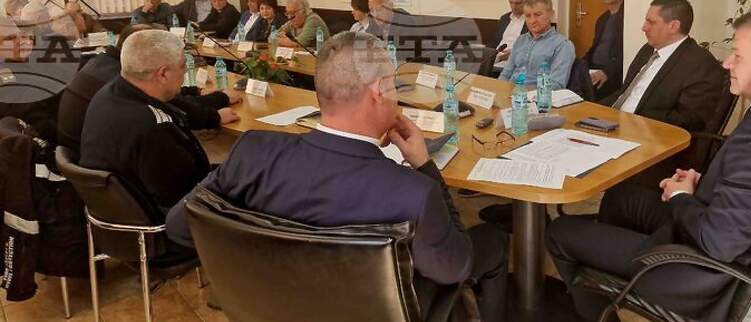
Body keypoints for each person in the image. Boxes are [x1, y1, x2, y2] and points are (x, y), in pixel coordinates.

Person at [166, 32, 508, 321]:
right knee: (491, 240)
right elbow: (453, 267)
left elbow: (180, 225)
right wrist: (425, 167)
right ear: (378, 91)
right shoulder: (413, 192)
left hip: (268, 308)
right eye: (394, 86)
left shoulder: (252, 152)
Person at [546, 4, 751, 322]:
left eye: (738, 55)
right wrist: (704, 185)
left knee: (560, 231)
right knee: (619, 199)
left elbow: (719, 243)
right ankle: (605, 278)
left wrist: (681, 197)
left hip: (701, 275)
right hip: (715, 230)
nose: (726, 63)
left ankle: (605, 293)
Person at [80, 30, 238, 215]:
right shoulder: (152, 126)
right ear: (162, 74)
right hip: (177, 218)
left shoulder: (109, 94)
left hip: (125, 207)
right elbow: (186, 194)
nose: (185, 71)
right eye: (183, 65)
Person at [58, 24, 241, 151]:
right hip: (91, 158)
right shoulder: (119, 80)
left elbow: (168, 96)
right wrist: (216, 112)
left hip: (93, 156)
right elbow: (173, 106)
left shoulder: (106, 64)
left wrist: (194, 91)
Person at [601, 0, 725, 133]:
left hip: (647, 134)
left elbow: (688, 120)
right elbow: (625, 92)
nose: (644, 27)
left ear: (673, 26)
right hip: (611, 123)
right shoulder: (648, 49)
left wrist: (629, 122)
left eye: (651, 22)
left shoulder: (701, 65)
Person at [499, 0, 575, 88]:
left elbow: (556, 85)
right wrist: (499, 90)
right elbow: (505, 74)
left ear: (551, 15)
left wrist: (521, 92)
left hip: (535, 95)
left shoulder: (562, 45)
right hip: (509, 92)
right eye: (528, 16)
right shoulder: (520, 40)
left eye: (537, 15)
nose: (532, 21)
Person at [582, 0, 625, 101]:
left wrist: (607, 72)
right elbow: (595, 47)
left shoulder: (628, 17)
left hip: (613, 74)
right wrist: (579, 65)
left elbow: (628, 52)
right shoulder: (602, 19)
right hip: (594, 68)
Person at [491, 0, 530, 73]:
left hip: (516, 64)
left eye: (518, 3)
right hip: (496, 59)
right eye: (511, 2)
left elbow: (534, 48)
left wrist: (514, 54)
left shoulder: (532, 21)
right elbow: (494, 42)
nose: (514, 7)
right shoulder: (504, 18)